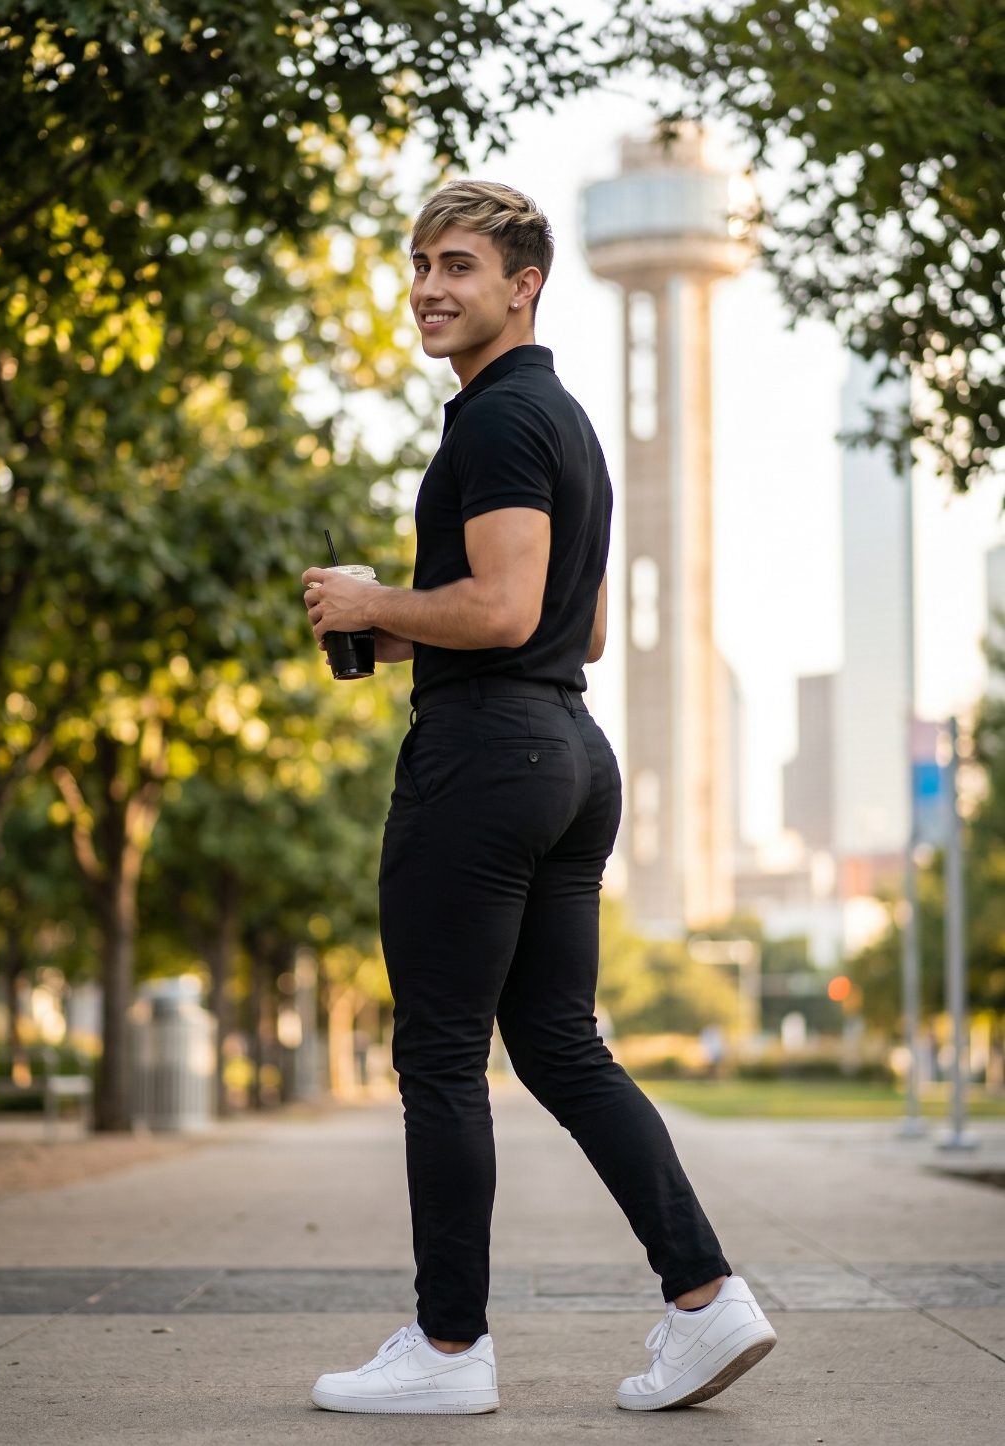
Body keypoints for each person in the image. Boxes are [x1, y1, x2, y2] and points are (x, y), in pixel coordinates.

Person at [301, 180, 776, 1416]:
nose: (429, 287)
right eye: (418, 264)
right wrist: (408, 629)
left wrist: (371, 607)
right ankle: (705, 1296)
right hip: (567, 748)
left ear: (524, 285)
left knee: (444, 1055)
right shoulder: (564, 422)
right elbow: (582, 626)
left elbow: (506, 612)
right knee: (561, 1047)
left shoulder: (499, 422)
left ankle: (448, 1351)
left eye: (457, 265)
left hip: (486, 761)